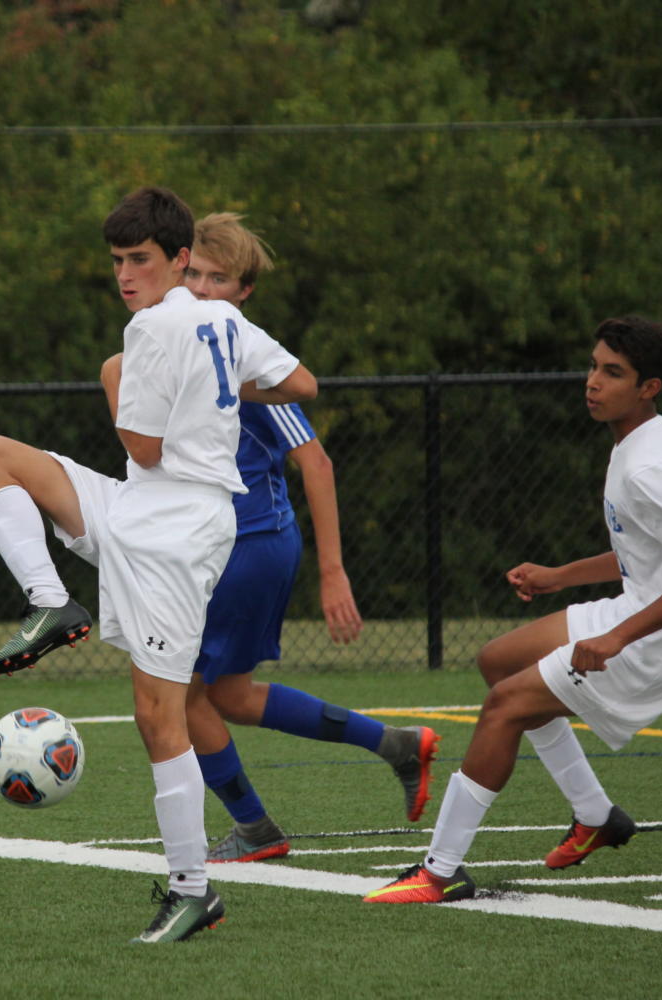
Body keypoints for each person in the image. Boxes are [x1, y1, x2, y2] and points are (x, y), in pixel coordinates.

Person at [0, 187, 316, 942]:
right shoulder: (224, 317)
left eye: (141, 259)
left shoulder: (150, 331)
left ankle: (195, 892)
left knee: (159, 719)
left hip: (176, 531)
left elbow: (145, 448)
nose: (126, 274)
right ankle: (52, 603)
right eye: (118, 260)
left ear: (180, 259)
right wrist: (218, 394)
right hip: (143, 509)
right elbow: (302, 385)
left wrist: (120, 381)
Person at [365, 316, 662, 903]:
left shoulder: (648, 466)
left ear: (649, 388)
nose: (593, 381)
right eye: (593, 366)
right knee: (499, 661)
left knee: (505, 706)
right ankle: (596, 817)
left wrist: (615, 640)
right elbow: (648, 552)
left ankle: (438, 873)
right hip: (648, 604)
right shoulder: (657, 436)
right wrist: (558, 577)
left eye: (613, 373)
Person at [178, 213, 439, 863]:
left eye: (220, 279)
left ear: (244, 294)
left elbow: (315, 462)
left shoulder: (244, 356)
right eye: (194, 274)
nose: (204, 289)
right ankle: (395, 745)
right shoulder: (180, 341)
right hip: (229, 546)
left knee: (178, 696)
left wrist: (334, 573)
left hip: (250, 544)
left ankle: (257, 831)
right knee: (229, 696)